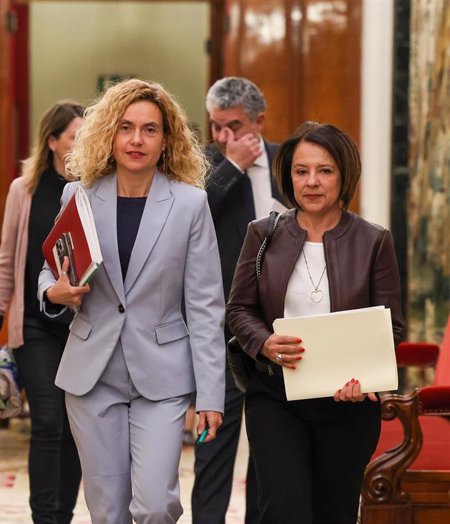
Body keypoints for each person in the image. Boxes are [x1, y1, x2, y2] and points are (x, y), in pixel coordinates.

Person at [38, 79, 226, 524]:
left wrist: (211, 395)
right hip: (91, 372)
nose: (136, 139)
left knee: (156, 505)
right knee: (107, 511)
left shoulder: (190, 204)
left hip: (161, 377)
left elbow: (205, 306)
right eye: (125, 128)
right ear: (110, 135)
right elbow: (52, 268)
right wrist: (53, 292)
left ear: (166, 141)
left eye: (149, 129)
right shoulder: (77, 195)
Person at [226, 122, 405, 523]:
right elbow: (238, 309)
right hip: (275, 396)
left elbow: (391, 327)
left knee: (335, 513)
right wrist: (264, 342)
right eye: (300, 171)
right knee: (284, 510)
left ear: (344, 176)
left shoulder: (374, 240)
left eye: (324, 170)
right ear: (288, 177)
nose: (311, 182)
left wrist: (363, 376)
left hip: (349, 405)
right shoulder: (263, 234)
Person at [193, 76, 286, 524]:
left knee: (272, 451)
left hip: (281, 330)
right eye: (215, 126)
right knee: (214, 447)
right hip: (221, 328)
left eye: (233, 125)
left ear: (260, 121)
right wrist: (229, 164)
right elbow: (187, 221)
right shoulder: (201, 164)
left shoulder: (290, 161)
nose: (222, 136)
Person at [0, 101, 84, 523]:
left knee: (74, 428)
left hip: (84, 328)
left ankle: (61, 514)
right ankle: (45, 517)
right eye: (73, 137)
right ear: (52, 141)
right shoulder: (23, 191)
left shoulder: (94, 189)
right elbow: (9, 261)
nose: (82, 145)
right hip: (34, 325)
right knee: (48, 420)